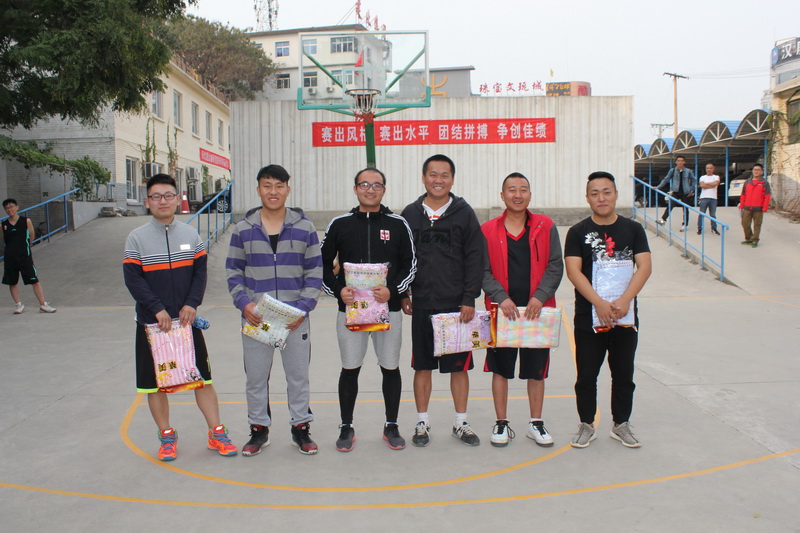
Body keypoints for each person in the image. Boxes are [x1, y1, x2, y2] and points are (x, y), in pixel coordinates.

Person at [123, 174, 237, 461]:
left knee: (202, 379)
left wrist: (191, 304)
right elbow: (133, 279)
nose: (162, 201)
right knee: (154, 384)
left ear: (177, 199)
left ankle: (216, 433)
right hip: (152, 325)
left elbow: (200, 273)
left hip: (186, 323)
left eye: (168, 195)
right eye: (156, 196)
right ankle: (166, 436)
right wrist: (156, 309)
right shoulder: (136, 238)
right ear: (147, 201)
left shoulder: (191, 235)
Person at [226, 164, 323, 456]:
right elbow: (233, 272)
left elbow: (314, 272)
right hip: (258, 318)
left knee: (298, 377)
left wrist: (302, 309)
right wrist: (245, 304)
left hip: (295, 319)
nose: (273, 191)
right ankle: (259, 430)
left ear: (287, 190)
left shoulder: (305, 228)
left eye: (279, 186)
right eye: (267, 185)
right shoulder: (243, 229)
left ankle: (300, 428)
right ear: (258, 189)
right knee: (256, 378)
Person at [321, 167, 416, 452]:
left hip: (389, 309)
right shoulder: (340, 224)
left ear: (384, 190)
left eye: (376, 185)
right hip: (351, 310)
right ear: (355, 189)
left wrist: (394, 290)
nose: (370, 189)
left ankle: (391, 425)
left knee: (390, 367)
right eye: (364, 184)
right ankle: (346, 426)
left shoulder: (398, 224)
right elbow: (321, 264)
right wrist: (338, 290)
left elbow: (411, 264)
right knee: (350, 368)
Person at [400, 154, 485, 447]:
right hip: (422, 303)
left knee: (458, 367)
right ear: (424, 178)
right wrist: (404, 292)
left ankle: (461, 422)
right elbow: (402, 257)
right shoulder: (410, 214)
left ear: (452, 179)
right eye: (433, 174)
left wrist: (469, 297)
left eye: (444, 175)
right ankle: (422, 422)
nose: (438, 180)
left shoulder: (464, 213)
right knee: (422, 366)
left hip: (456, 306)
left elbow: (475, 257)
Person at [564, 171, 652, 449]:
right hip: (589, 317)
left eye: (606, 192)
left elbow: (644, 266)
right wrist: (598, 303)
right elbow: (574, 271)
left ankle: (621, 424)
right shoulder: (577, 232)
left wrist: (625, 300)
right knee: (586, 375)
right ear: (587, 198)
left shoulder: (633, 229)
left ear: (615, 195)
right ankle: (586, 424)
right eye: (595, 193)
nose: (601, 198)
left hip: (625, 316)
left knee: (624, 374)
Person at [481, 173, 563, 447]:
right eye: (512, 190)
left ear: (530, 194)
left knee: (536, 371)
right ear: (502, 195)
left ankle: (535, 423)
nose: (518, 195)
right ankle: (501, 422)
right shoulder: (487, 230)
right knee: (500, 370)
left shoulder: (545, 225)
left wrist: (540, 297)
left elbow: (555, 265)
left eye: (523, 189)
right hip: (501, 312)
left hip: (537, 312)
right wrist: (500, 297)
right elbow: (482, 270)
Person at [2, 198, 57, 314]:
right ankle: (18, 305)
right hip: (10, 258)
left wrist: (23, 248)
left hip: (24, 257)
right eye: (6, 208)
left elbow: (31, 237)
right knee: (12, 282)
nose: (9, 209)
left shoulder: (26, 221)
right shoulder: (4, 225)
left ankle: (43, 304)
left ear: (17, 207)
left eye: (11, 207)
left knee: (34, 280)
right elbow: (4, 240)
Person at [656, 155, 696, 231]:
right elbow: (666, 179)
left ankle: (684, 224)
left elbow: (694, 180)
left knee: (685, 208)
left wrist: (691, 190)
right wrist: (658, 187)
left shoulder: (688, 171)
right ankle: (663, 220)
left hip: (685, 192)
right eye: (678, 161)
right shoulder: (673, 170)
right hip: (675, 191)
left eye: (682, 161)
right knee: (670, 205)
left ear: (684, 162)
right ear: (676, 162)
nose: (680, 162)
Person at [738, 164, 771, 248]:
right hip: (747, 207)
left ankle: (755, 240)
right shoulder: (747, 182)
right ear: (752, 171)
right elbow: (743, 194)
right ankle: (749, 238)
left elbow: (767, 196)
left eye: (758, 170)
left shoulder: (764, 183)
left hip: (758, 208)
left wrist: (765, 207)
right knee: (745, 223)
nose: (756, 171)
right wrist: (742, 205)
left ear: (761, 172)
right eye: (755, 169)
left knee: (757, 225)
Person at [697, 163, 721, 235]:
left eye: (710, 168)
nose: (709, 169)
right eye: (707, 168)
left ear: (713, 169)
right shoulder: (702, 177)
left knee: (713, 215)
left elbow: (716, 183)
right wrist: (711, 185)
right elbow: (702, 185)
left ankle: (714, 228)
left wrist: (706, 184)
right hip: (704, 197)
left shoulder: (716, 177)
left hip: (713, 198)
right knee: (702, 213)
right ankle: (700, 228)